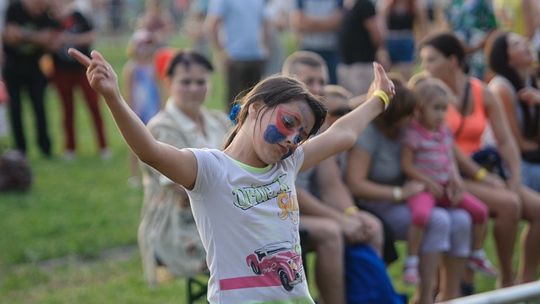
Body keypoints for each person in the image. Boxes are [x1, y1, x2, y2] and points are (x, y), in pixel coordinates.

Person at [68, 46, 395, 303]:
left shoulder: (287, 164)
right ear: (255, 107)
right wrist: (113, 97)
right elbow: (150, 150)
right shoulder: (210, 170)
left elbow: (342, 135)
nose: (292, 139)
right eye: (289, 123)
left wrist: (379, 98)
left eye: (302, 135)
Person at [419, 31, 540, 286]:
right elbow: (445, 146)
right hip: (446, 173)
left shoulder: (480, 90)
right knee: (509, 204)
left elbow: (506, 141)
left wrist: (515, 178)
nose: (425, 67)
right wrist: (485, 177)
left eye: (431, 60)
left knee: (536, 206)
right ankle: (503, 280)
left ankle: (524, 280)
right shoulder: (424, 91)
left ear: (452, 60)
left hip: (481, 170)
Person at [347, 78, 473, 303]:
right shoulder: (370, 135)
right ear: (392, 117)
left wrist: (451, 178)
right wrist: (399, 193)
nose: (413, 117)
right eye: (408, 114)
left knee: (462, 219)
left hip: (416, 198)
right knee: (438, 221)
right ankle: (425, 296)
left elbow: (443, 151)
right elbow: (356, 184)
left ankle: (451, 293)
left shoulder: (411, 130)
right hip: (380, 202)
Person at [282, 50, 385, 304]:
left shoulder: (321, 124)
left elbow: (331, 184)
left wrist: (351, 215)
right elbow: (291, 191)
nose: (317, 89)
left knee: (372, 227)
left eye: (321, 82)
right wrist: (339, 219)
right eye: (309, 82)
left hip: (307, 209)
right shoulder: (281, 125)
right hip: (277, 210)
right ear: (288, 83)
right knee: (331, 232)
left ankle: (369, 298)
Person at [138, 50, 230, 287]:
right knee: (252, 251)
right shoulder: (161, 128)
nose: (193, 89)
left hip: (223, 214)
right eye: (185, 82)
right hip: (178, 226)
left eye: (200, 82)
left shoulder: (218, 120)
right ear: (168, 83)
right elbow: (183, 186)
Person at [401, 77, 497, 286]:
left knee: (481, 211)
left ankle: (476, 253)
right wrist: (428, 182)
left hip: (446, 187)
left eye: (445, 109)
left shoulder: (444, 130)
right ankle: (411, 260)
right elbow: (407, 166)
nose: (441, 114)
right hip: (424, 189)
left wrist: (455, 178)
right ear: (420, 107)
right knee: (421, 215)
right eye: (436, 108)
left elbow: (449, 156)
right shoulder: (413, 134)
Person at [49, 0, 109, 160]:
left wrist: (68, 39)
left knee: (93, 105)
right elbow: (47, 44)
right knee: (67, 110)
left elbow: (91, 36)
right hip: (61, 71)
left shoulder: (78, 16)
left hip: (84, 70)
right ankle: (70, 149)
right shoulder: (49, 20)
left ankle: (103, 146)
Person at [2, 0, 57, 156]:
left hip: (36, 69)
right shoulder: (14, 8)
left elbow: (51, 41)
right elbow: (10, 36)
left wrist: (23, 35)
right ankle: (20, 149)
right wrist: (38, 37)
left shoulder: (47, 12)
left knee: (40, 108)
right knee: (16, 110)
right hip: (13, 69)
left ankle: (45, 148)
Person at [487, 31, 540, 193]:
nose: (525, 43)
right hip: (508, 165)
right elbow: (517, 144)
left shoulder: (533, 81)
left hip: (531, 157)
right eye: (516, 44)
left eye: (523, 40)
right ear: (506, 59)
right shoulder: (501, 88)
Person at [205, 0, 270, 111]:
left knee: (256, 104)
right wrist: (220, 52)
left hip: (255, 56)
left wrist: (265, 47)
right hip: (235, 57)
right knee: (233, 103)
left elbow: (264, 22)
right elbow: (212, 25)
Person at [122, 29, 161, 186]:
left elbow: (159, 88)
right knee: (135, 143)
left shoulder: (154, 66)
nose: (146, 48)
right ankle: (134, 175)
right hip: (139, 109)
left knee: (156, 140)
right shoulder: (131, 68)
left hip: (153, 108)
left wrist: (161, 107)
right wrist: (131, 111)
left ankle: (157, 174)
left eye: (149, 44)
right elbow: (128, 91)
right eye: (142, 45)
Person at [337, 0, 386, 96]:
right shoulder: (347, 5)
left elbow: (376, 34)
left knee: (361, 100)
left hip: (362, 65)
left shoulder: (365, 5)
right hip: (348, 64)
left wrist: (381, 52)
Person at [291, 0, 344, 84]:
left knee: (331, 85)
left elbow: (337, 22)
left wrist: (311, 24)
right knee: (304, 85)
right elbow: (299, 21)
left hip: (331, 50)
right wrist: (327, 24)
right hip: (307, 48)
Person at [381, 0, 427, 80]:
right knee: (386, 74)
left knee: (406, 74)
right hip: (391, 42)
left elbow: (423, 27)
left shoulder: (414, 6)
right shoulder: (388, 6)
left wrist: (419, 43)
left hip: (406, 43)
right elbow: (382, 25)